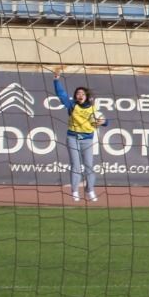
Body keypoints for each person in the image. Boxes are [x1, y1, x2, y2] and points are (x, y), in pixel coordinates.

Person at [52, 69, 105, 203]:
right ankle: (75, 191)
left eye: (82, 93)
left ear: (86, 96)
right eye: (77, 93)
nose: (79, 95)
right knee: (75, 165)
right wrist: (56, 80)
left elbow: (104, 121)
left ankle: (90, 190)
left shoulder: (93, 109)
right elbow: (61, 94)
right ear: (75, 97)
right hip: (73, 138)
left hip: (87, 139)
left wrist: (104, 122)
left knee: (89, 166)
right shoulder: (72, 106)